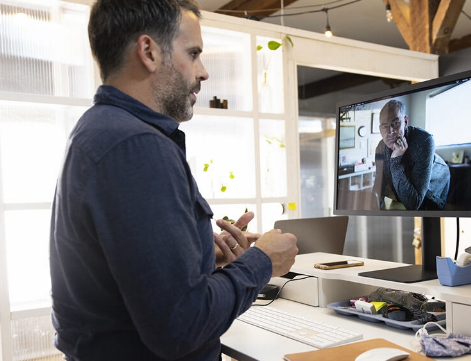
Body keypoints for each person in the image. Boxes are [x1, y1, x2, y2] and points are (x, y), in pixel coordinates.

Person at [49, 1, 298, 360]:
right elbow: (181, 325)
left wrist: (195, 257)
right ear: (149, 52)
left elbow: (124, 274)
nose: (203, 72)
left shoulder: (99, 131)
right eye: (193, 54)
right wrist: (262, 261)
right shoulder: (137, 146)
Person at [372, 100, 450, 210]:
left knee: (428, 211)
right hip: (412, 184)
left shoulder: (424, 140)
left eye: (395, 123)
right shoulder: (380, 147)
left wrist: (395, 160)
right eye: (385, 126)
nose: (390, 131)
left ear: (405, 122)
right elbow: (379, 184)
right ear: (380, 130)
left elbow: (413, 205)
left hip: (436, 181)